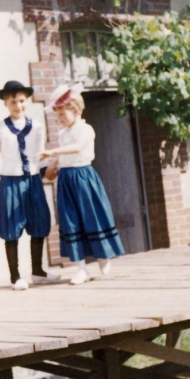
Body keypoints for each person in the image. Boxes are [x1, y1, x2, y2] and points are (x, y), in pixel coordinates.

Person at [40, 84, 124, 285]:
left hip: (84, 177)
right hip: (66, 180)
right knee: (70, 221)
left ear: (75, 109)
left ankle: (103, 255)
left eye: (63, 113)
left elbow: (77, 148)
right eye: (57, 115)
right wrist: (52, 166)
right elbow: (62, 156)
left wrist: (53, 152)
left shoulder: (85, 129)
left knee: (92, 217)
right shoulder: (63, 134)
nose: (60, 118)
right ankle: (81, 269)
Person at [0, 80, 59, 290]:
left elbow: (40, 156)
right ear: (6, 102)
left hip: (32, 181)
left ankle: (38, 271)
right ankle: (15, 276)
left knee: (39, 222)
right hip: (10, 182)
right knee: (11, 226)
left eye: (22, 101)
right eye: (13, 102)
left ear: (27, 101)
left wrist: (49, 170)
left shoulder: (37, 127)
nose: (18, 106)